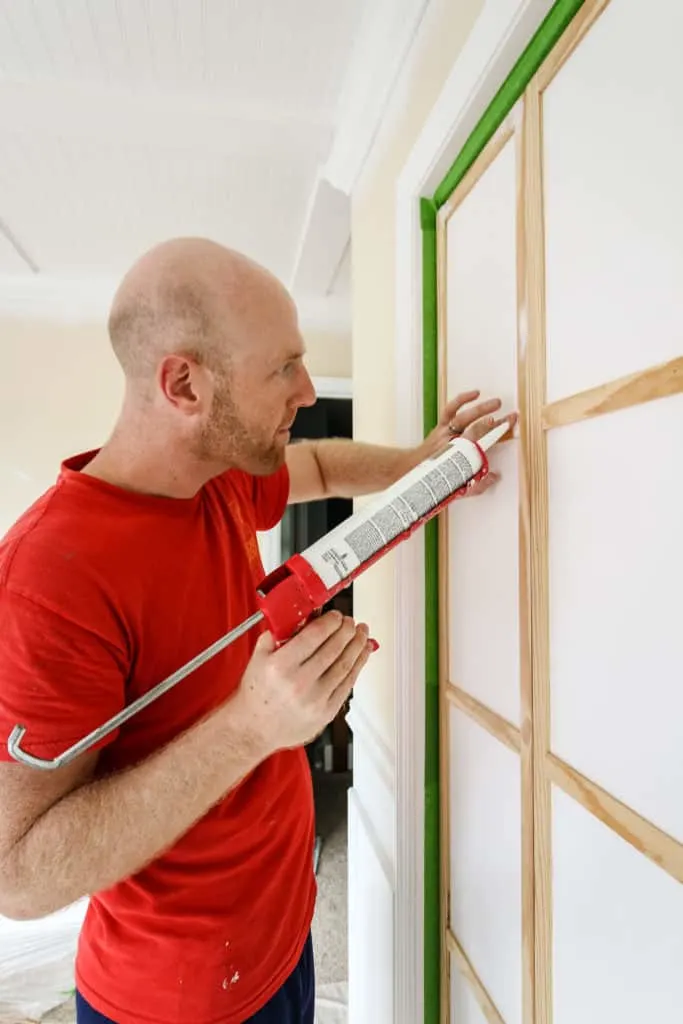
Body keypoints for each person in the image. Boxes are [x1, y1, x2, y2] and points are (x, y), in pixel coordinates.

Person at [0, 238, 514, 1024]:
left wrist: (418, 463)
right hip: (177, 1002)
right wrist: (252, 727)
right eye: (283, 368)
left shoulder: (222, 474)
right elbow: (20, 875)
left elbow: (310, 469)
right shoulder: (48, 579)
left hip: (281, 941)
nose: (307, 390)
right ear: (184, 384)